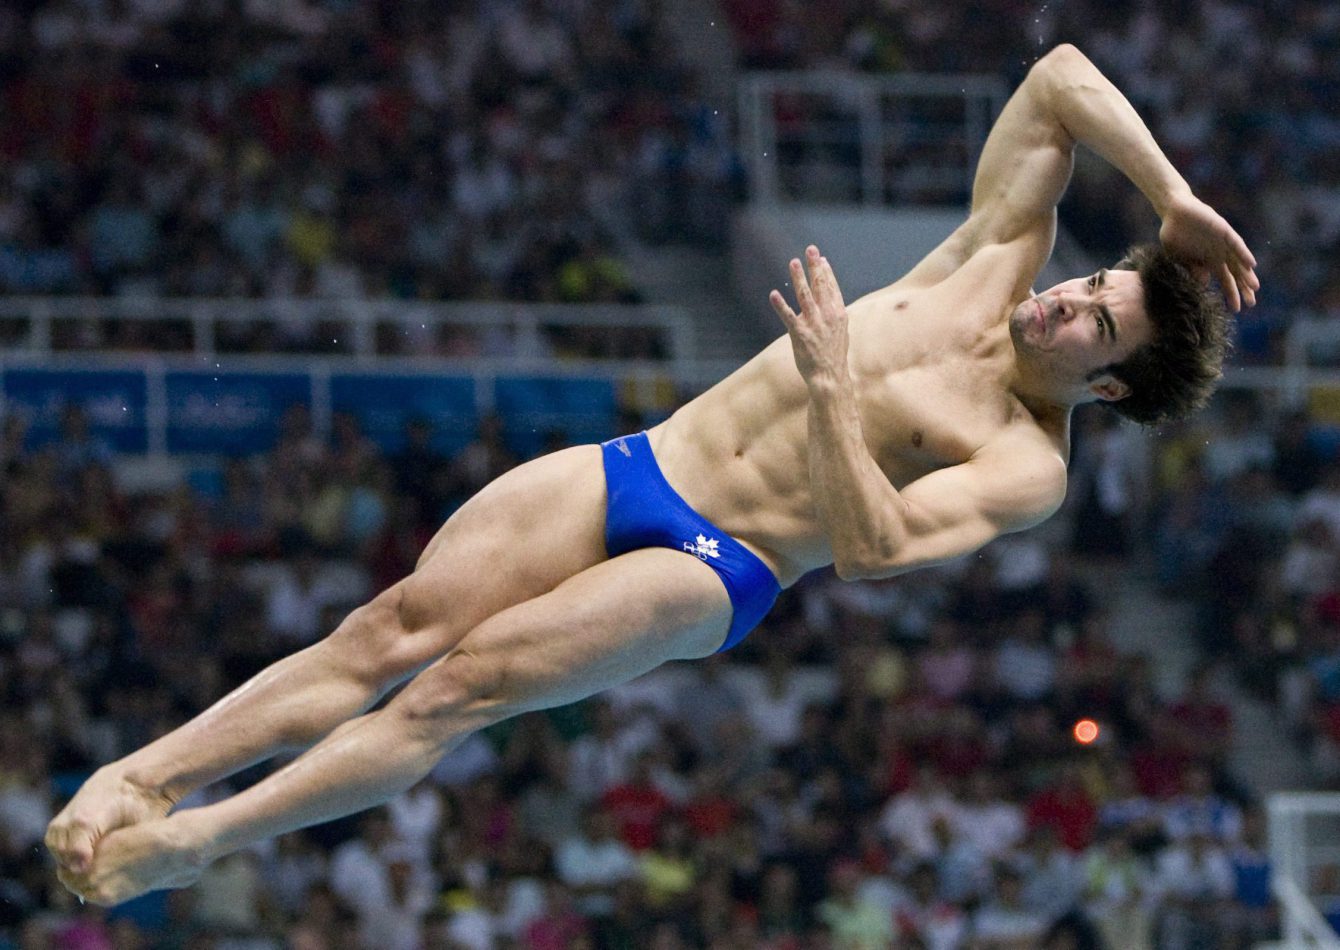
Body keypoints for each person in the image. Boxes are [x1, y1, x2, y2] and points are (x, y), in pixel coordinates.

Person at [46, 43, 1257, 905]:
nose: (1064, 302)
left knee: (453, 689)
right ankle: (137, 774)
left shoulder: (1023, 460)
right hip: (643, 457)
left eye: (1094, 327)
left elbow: (880, 546)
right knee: (390, 624)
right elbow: (1056, 75)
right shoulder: (996, 257)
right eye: (1092, 283)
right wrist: (1173, 194)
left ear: (1104, 387)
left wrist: (835, 390)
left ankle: (198, 839)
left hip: (717, 564)